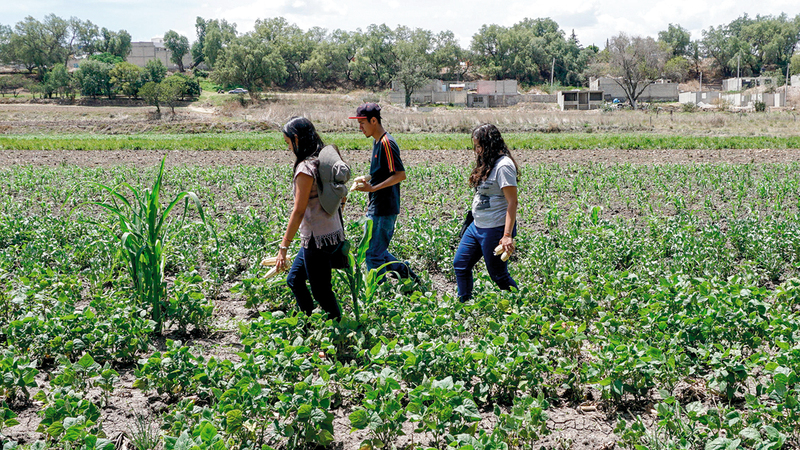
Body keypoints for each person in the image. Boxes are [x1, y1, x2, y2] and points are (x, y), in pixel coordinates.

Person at [273, 116, 350, 321]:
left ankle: (337, 329)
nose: (288, 147)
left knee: (321, 292)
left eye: (288, 142)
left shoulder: (305, 169)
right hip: (333, 235)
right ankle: (307, 323)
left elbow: (298, 211)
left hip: (317, 240)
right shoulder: (323, 162)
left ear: (297, 139)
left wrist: (284, 247)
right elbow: (342, 195)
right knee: (295, 279)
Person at [349, 103, 420, 283]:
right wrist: (368, 179)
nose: (360, 127)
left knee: (373, 255)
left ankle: (379, 293)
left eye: (362, 123)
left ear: (374, 121)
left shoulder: (387, 143)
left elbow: (400, 174)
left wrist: (372, 188)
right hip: (377, 205)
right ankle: (405, 273)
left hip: (384, 207)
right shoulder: (377, 142)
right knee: (376, 251)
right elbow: (383, 173)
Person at [453, 123, 519, 303]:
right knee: (460, 264)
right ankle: (464, 304)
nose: (477, 150)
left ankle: (520, 303)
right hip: (476, 226)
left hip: (494, 228)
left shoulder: (504, 166)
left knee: (498, 275)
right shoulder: (486, 162)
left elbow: (512, 202)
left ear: (490, 144)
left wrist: (506, 235)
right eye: (475, 146)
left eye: (479, 146)